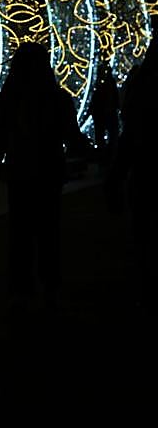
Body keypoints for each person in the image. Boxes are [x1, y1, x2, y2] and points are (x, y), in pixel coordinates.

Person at [0, 42, 89, 311]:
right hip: (47, 171)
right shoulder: (57, 97)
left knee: (20, 231)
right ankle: (49, 285)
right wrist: (93, 153)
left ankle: (22, 288)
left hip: (21, 171)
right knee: (48, 230)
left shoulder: (11, 97)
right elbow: (71, 133)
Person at [108, 48, 158, 313]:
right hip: (144, 169)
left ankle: (147, 289)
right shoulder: (143, 79)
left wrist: (116, 174)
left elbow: (130, 128)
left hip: (144, 169)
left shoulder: (142, 80)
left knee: (144, 235)